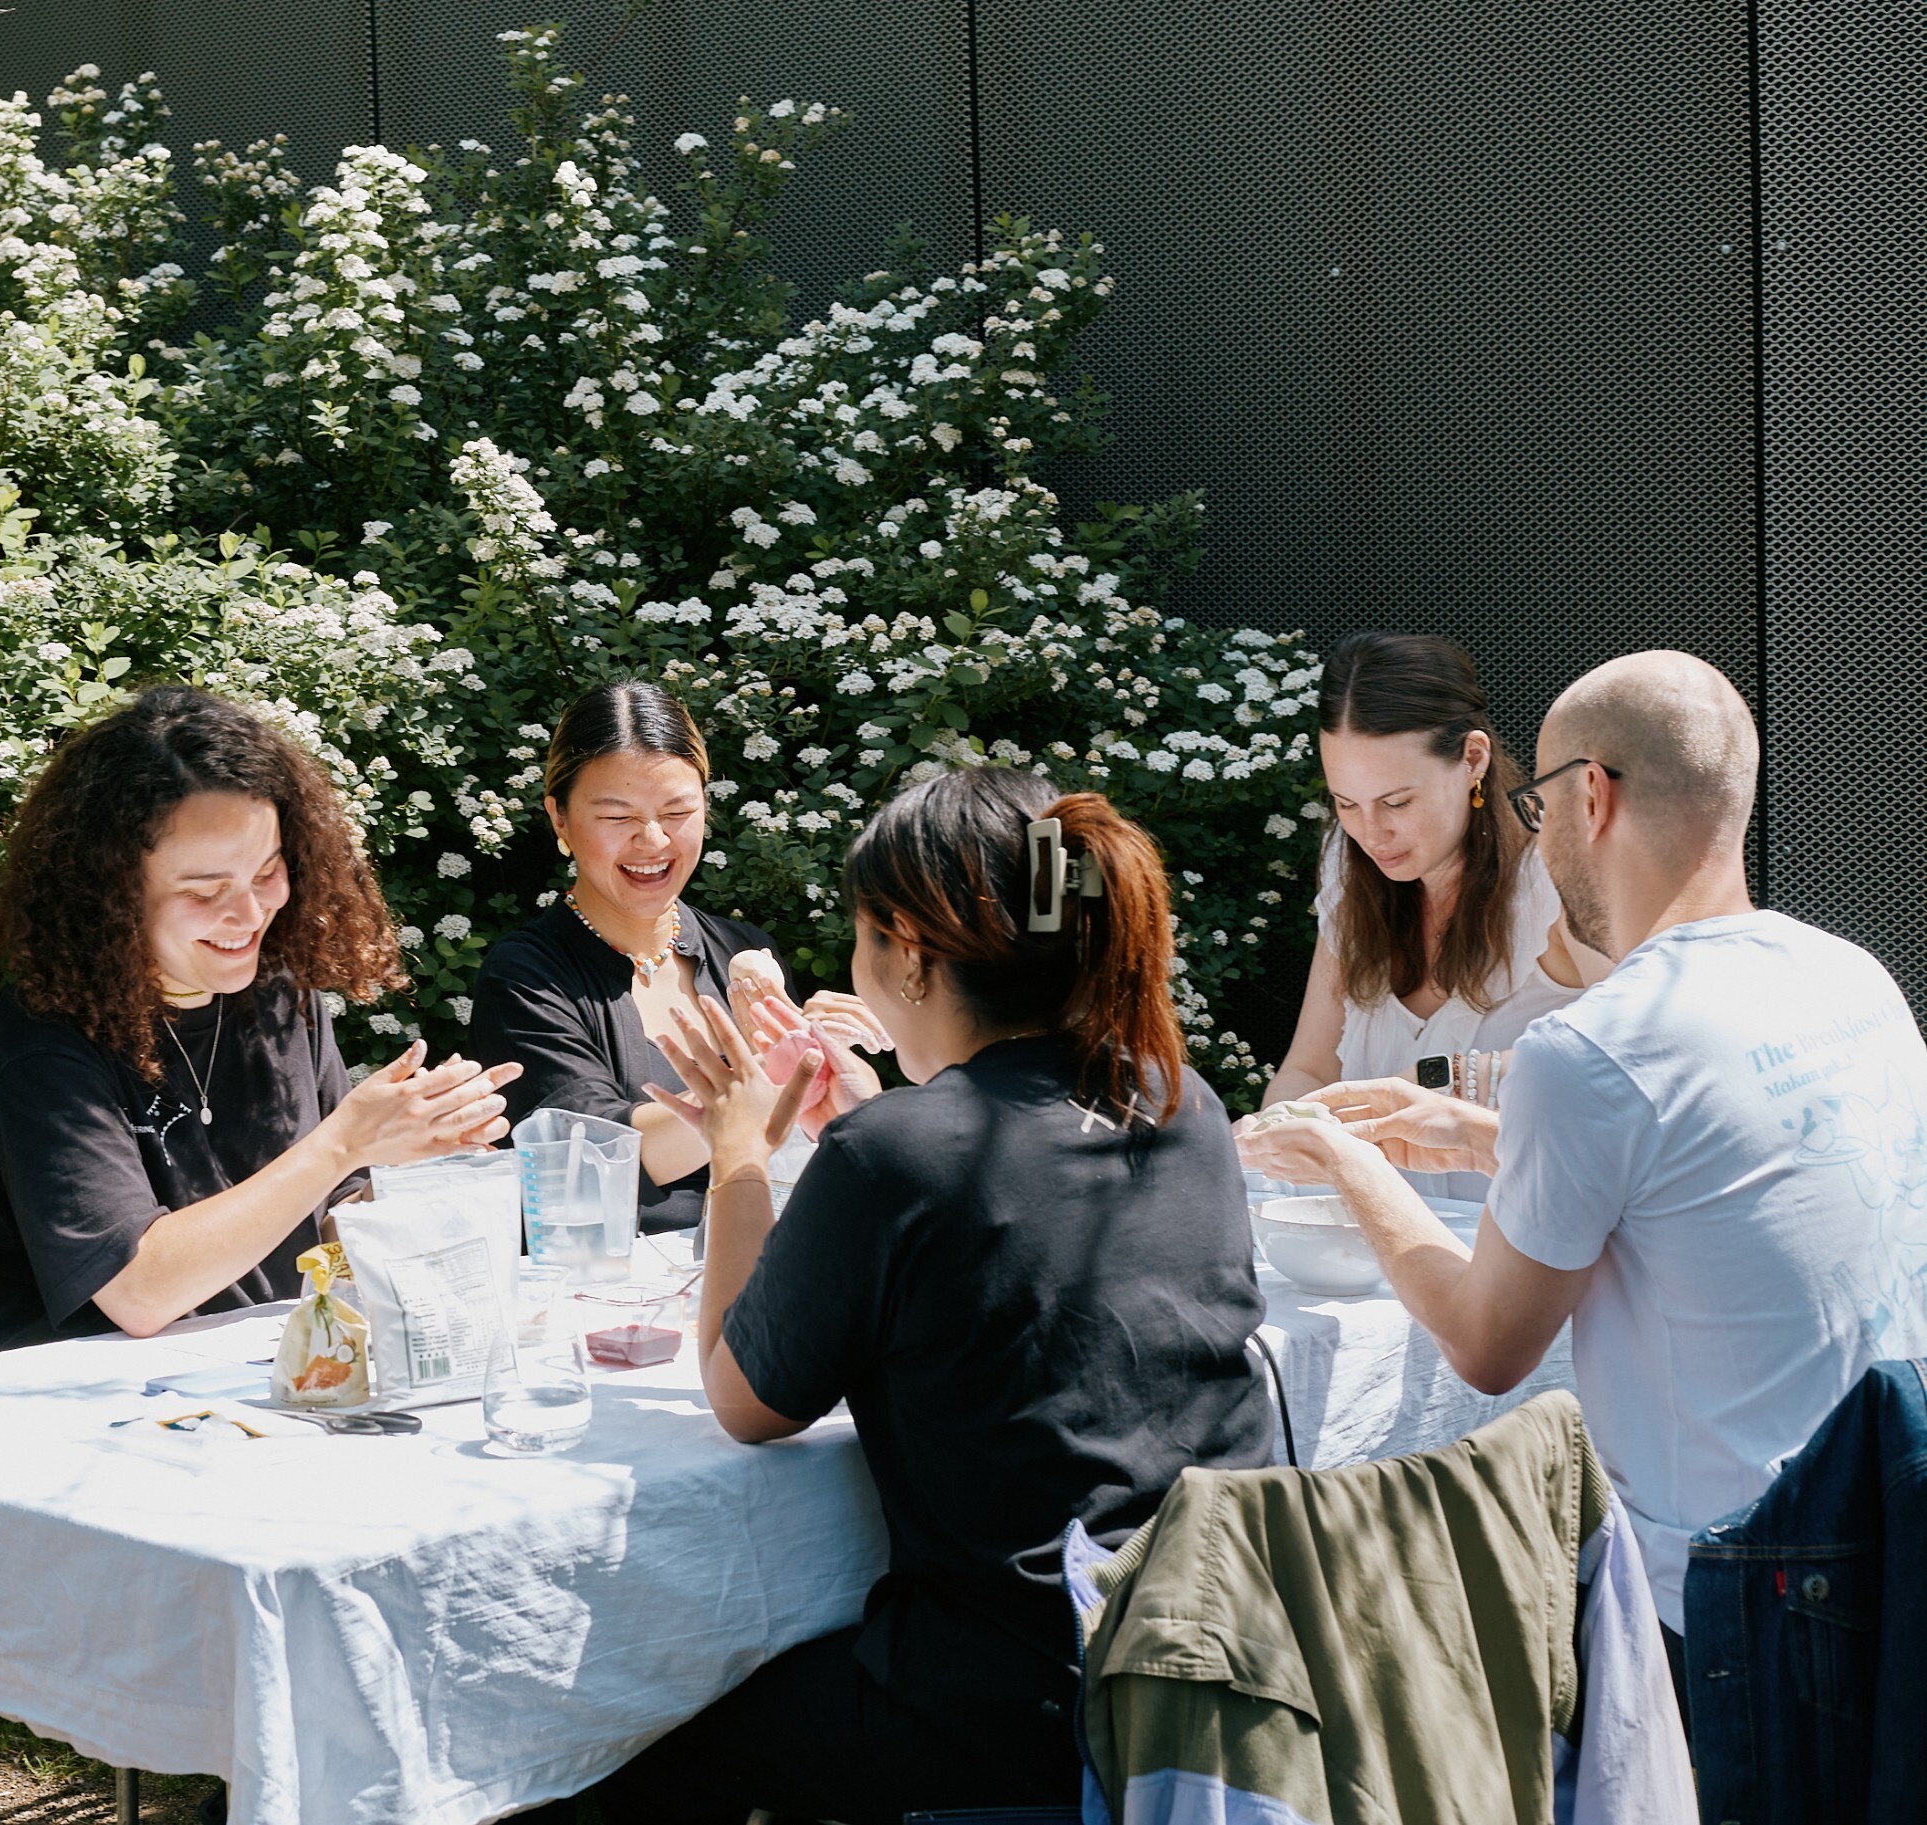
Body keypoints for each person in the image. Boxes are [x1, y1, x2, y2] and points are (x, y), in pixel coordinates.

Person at [1239, 650, 1927, 1688]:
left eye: (1536, 801)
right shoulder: (1849, 975)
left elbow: (1483, 1343)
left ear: (1588, 797)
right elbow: (1692, 1169)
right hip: (1886, 1522)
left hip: (1732, 1588)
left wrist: (1347, 1162)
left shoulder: (1595, 1047)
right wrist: (1473, 1133)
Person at [595, 768, 1272, 1820]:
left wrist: (737, 1157)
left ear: (908, 951)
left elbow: (740, 1399)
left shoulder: (894, 1154)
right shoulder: (1174, 1098)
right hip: (1216, 1658)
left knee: (634, 1743)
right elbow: (999, 1202)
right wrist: (863, 1125)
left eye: (861, 937)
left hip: (1027, 1700)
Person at [0, 687, 522, 1352]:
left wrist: (416, 1168)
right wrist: (344, 1141)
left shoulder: (280, 992)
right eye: (204, 892)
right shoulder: (46, 1033)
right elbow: (138, 1289)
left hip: (251, 1379)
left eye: (268, 872)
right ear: (111, 894)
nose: (251, 914)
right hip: (72, 1405)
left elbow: (331, 1213)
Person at [469, 681, 882, 1231]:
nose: (653, 839)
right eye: (617, 816)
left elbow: (798, 1147)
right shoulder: (526, 977)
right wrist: (768, 1073)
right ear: (560, 819)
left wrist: (835, 1082)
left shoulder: (743, 949)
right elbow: (597, 1160)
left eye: (678, 810)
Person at [1260, 631, 1604, 1197]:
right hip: (1374, 1249)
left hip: (1523, 1255)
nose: (1372, 833)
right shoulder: (1348, 869)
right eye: (1346, 803)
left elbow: (1637, 1057)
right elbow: (1310, 1069)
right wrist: (1273, 1135)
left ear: (1473, 759)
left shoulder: (1554, 880)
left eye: (1397, 802)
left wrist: (1435, 1082)